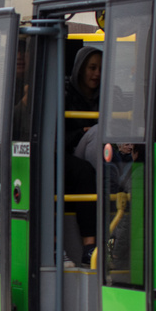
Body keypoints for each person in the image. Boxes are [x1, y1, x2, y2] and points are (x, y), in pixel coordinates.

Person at [65, 47, 102, 265]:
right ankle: (90, 246)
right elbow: (57, 138)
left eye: (100, 69)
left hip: (103, 152)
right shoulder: (66, 94)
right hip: (72, 152)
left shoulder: (108, 93)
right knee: (87, 171)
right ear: (80, 69)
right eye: (92, 68)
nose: (96, 74)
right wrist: (82, 132)